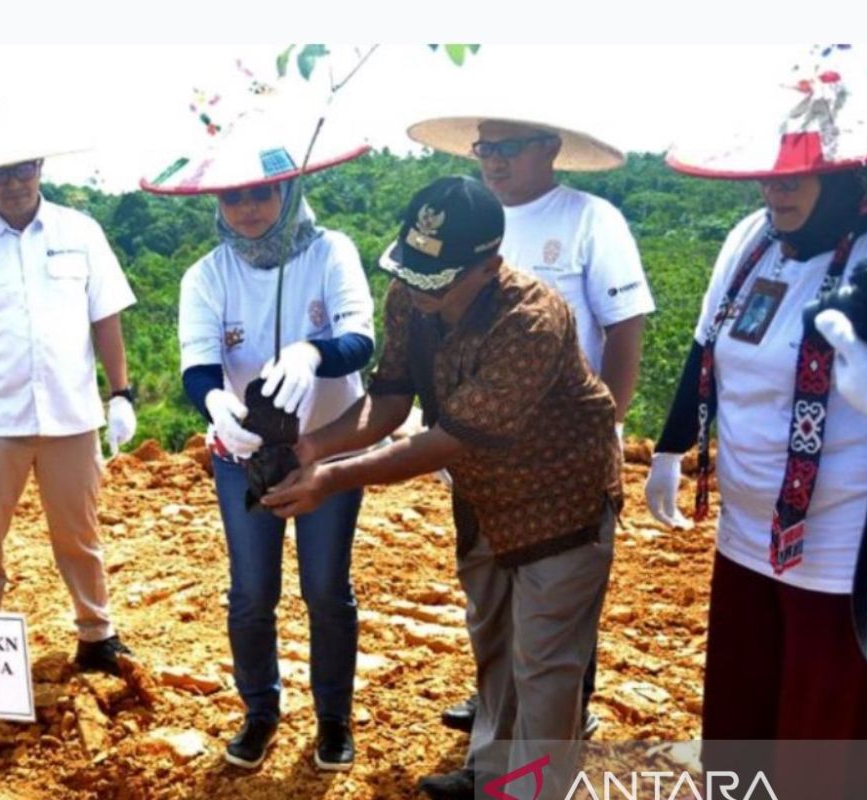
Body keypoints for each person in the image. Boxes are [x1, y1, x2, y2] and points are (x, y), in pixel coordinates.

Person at [263, 176, 621, 800]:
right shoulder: (412, 294)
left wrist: (335, 477)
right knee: (493, 644)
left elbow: (451, 438)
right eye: (414, 272)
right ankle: (491, 772)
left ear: (488, 266)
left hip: (560, 501)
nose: (420, 291)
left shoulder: (531, 320)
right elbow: (392, 400)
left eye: (440, 279)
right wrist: (313, 447)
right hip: (484, 500)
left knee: (545, 666)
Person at [647, 57, 867, 794]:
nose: (773, 189)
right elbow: (704, 346)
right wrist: (669, 445)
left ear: (851, 176)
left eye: (796, 176)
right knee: (743, 721)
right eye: (769, 173)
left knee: (826, 743)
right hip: (748, 532)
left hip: (845, 548)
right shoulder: (751, 241)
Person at [408, 114, 654, 738]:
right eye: (486, 149)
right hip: (479, 450)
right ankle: (499, 749)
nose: (494, 162)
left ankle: (557, 734)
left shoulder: (590, 219)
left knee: (554, 621)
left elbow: (624, 327)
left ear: (550, 149)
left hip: (562, 456)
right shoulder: (468, 221)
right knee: (495, 607)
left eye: (510, 149)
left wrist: (608, 421)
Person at [143, 113, 375, 772]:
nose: (247, 208)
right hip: (243, 454)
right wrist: (216, 403)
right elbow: (199, 363)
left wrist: (311, 352)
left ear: (287, 191)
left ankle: (332, 715)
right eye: (233, 195)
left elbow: (361, 338)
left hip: (325, 446)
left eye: (260, 192)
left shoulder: (330, 251)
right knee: (251, 591)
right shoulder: (207, 275)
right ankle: (260, 709)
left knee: (326, 586)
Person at [0, 151, 138, 674]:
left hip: (71, 413)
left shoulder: (80, 232)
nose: (13, 182)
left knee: (78, 530)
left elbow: (104, 317)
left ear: (40, 167)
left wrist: (121, 394)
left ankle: (96, 632)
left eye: (22, 169)